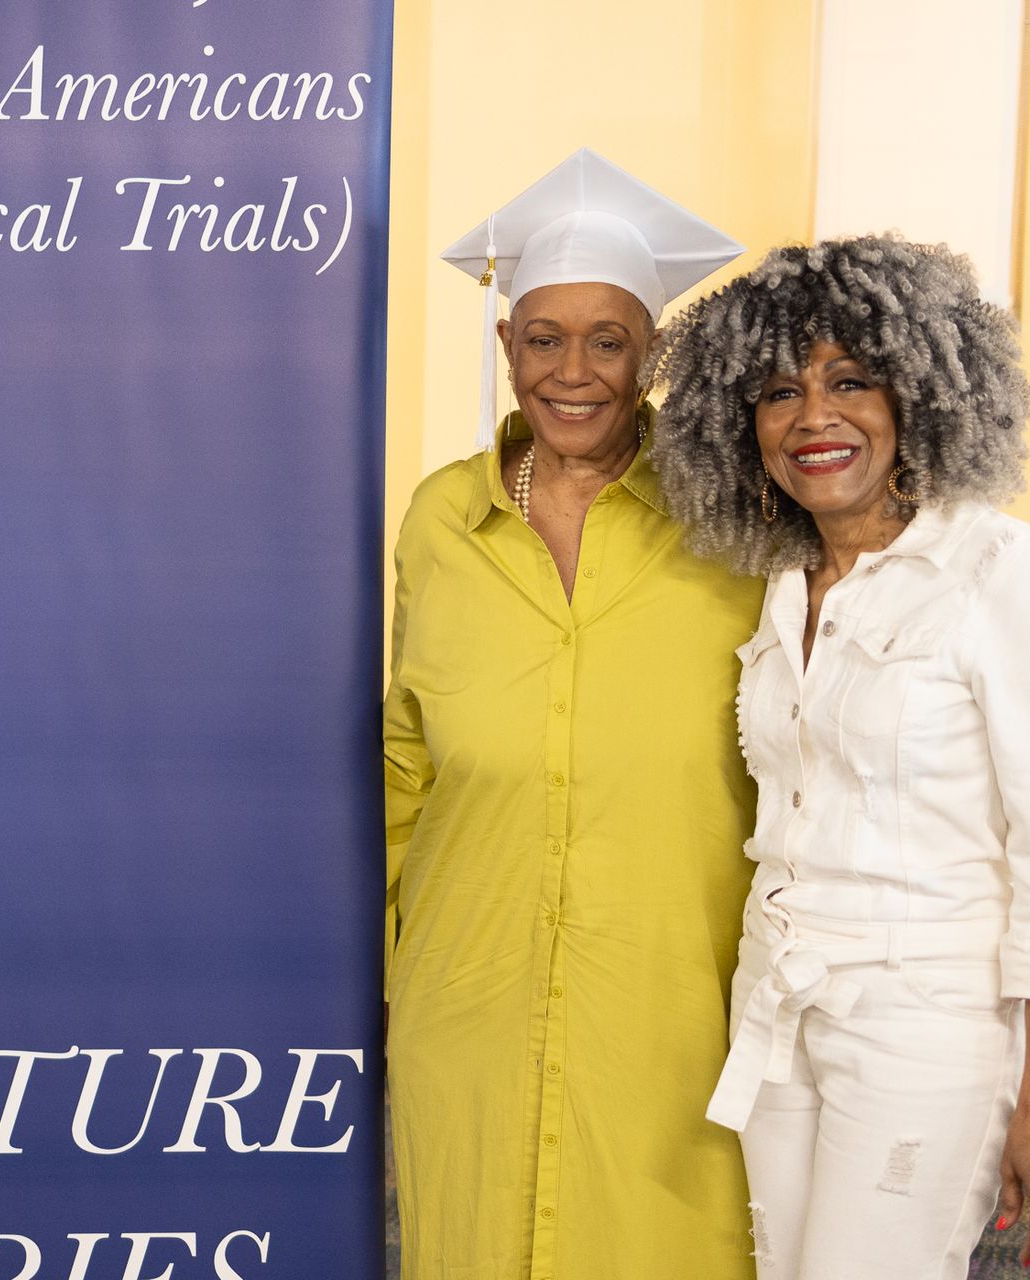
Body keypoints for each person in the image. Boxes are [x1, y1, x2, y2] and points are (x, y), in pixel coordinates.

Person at [650, 234, 1030, 1280]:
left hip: (924, 1022)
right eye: (775, 391)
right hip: (778, 1002)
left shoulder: (1003, 569)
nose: (813, 417)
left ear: (923, 395)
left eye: (850, 380)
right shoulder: (774, 579)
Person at [384, 148, 763, 1278]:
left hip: (672, 1010)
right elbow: (404, 760)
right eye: (544, 338)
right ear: (506, 346)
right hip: (469, 1002)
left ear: (652, 354)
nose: (575, 371)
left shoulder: (732, 521)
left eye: (610, 339)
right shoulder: (441, 520)